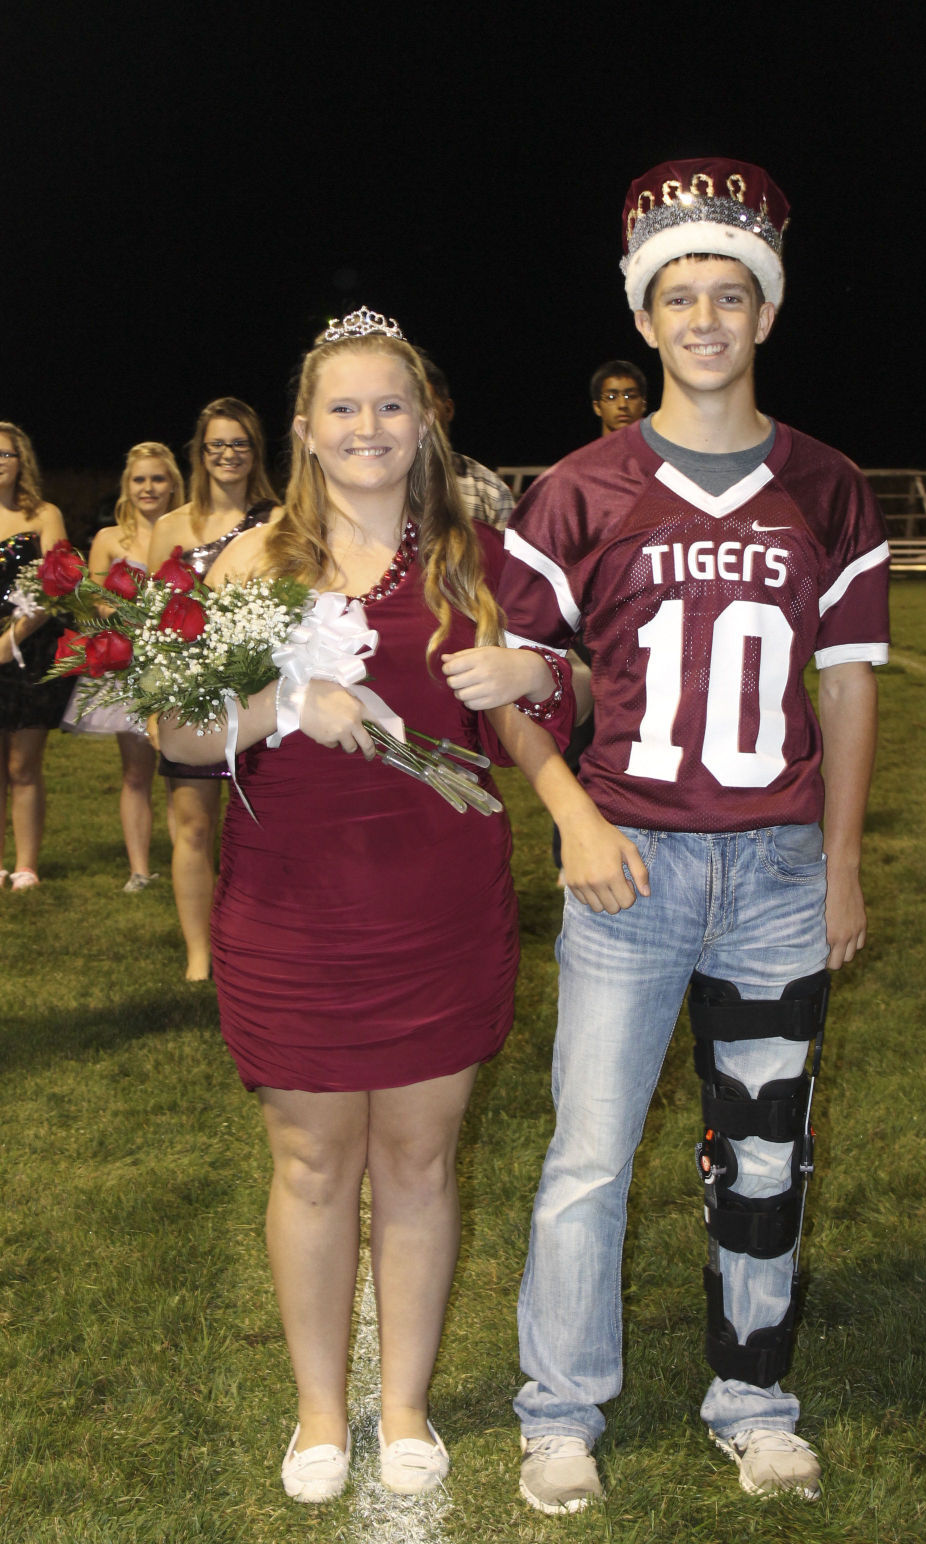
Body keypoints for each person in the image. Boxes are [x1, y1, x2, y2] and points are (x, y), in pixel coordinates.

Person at [445, 157, 890, 1510]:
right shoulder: (578, 490)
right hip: (630, 860)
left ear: (764, 312)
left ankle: (753, 1395)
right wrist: (570, 813)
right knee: (589, 1150)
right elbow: (522, 686)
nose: (704, 320)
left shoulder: (828, 486)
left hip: (771, 867)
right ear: (646, 319)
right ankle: (560, 1407)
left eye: (729, 295)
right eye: (679, 297)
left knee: (765, 1150)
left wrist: (844, 860)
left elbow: (850, 683)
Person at [158, 309, 567, 1503]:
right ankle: (319, 1411)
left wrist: (537, 670)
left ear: (425, 420)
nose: (368, 426)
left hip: (439, 904)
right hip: (291, 909)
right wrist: (289, 705)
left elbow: (569, 691)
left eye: (391, 404)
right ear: (302, 428)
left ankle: (403, 1407)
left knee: (421, 1157)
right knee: (310, 1158)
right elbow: (181, 734)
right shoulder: (250, 562)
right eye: (342, 406)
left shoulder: (476, 556)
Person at [148, 398, 277, 978]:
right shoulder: (171, 526)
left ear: (255, 451)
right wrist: (153, 707)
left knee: (264, 826)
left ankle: (262, 942)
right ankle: (200, 955)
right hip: (188, 695)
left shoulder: (281, 519)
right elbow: (152, 620)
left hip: (260, 694)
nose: (228, 454)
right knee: (193, 825)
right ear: (200, 453)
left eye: (239, 443)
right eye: (216, 444)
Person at [62, 442, 185, 891]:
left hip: (176, 661)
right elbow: (94, 599)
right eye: (139, 479)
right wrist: (128, 616)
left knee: (178, 769)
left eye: (157, 478)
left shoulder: (187, 533)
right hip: (128, 664)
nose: (148, 487)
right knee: (135, 771)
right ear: (126, 486)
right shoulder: (109, 539)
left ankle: (184, 863)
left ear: (173, 484)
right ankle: (139, 869)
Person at [0, 422, 73, 891]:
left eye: (5, 454)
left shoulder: (45, 513)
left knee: (22, 766)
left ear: (21, 460)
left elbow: (59, 583)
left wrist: (10, 641)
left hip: (30, 649)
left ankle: (26, 865)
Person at [419, 356, 515, 527]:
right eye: (397, 407)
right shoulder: (367, 479)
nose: (416, 418)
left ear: (448, 410)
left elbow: (508, 553)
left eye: (425, 406)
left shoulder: (490, 490)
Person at [590, 359, 648, 436]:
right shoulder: (589, 448)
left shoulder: (661, 447)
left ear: (643, 404)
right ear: (597, 407)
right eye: (611, 397)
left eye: (631, 396)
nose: (623, 405)